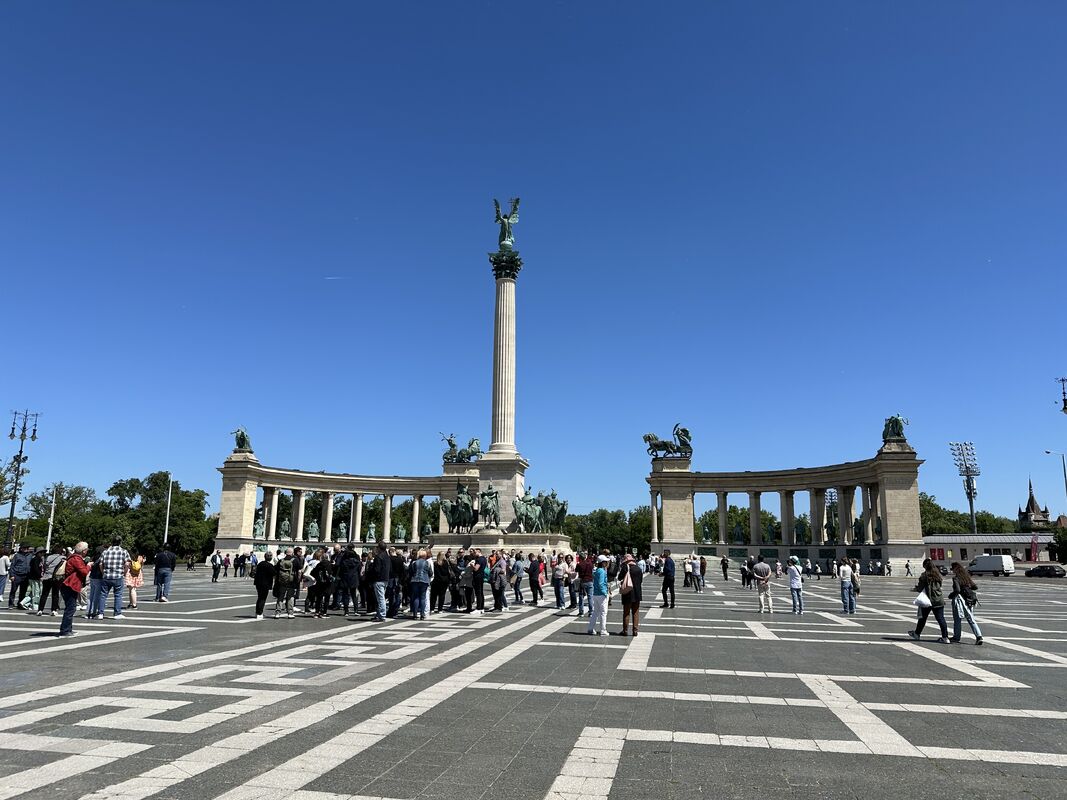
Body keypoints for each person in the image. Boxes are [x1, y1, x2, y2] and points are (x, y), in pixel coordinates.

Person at [909, 559, 949, 643]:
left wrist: (915, 589)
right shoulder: (938, 575)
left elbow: (920, 588)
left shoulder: (924, 575)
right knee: (941, 619)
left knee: (922, 618)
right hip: (939, 599)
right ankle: (945, 637)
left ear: (925, 566)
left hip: (928, 600)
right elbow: (939, 585)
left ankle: (917, 634)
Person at [59, 542, 91, 637]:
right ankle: (65, 630)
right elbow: (84, 571)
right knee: (70, 608)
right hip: (70, 585)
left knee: (71, 608)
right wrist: (89, 565)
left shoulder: (73, 557)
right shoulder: (76, 559)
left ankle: (68, 629)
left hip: (70, 585)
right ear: (84, 551)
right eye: (87, 549)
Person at [948, 562, 983, 645]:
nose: (952, 571)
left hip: (960, 600)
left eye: (952, 569)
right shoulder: (966, 577)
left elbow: (957, 590)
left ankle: (956, 637)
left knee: (957, 619)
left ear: (955, 569)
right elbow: (975, 587)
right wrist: (967, 588)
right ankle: (979, 636)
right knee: (971, 618)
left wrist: (951, 595)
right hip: (969, 600)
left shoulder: (956, 578)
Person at [97, 536, 131, 619]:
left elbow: (100, 564)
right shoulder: (124, 551)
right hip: (118, 576)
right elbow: (127, 564)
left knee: (103, 595)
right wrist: (124, 572)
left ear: (112, 542)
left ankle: (100, 613)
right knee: (118, 595)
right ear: (120, 542)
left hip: (106, 576)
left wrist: (103, 572)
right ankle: (117, 613)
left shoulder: (105, 551)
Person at [616, 553, 643, 637]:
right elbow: (640, 581)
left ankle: (625, 630)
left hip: (628, 593)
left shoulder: (625, 568)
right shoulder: (638, 568)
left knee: (626, 612)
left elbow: (619, 577)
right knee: (636, 612)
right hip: (637, 593)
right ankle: (635, 630)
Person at [37, 545, 66, 616]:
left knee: (44, 594)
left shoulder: (48, 557)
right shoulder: (62, 558)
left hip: (46, 577)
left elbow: (44, 566)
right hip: (56, 577)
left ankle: (40, 610)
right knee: (55, 594)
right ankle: (54, 610)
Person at [587, 555, 609, 636]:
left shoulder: (597, 570)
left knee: (595, 612)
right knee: (603, 612)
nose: (607, 563)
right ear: (602, 563)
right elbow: (601, 583)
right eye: (605, 562)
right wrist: (605, 592)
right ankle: (603, 630)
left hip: (596, 593)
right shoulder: (602, 571)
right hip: (601, 594)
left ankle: (590, 628)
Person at [337, 545, 362, 616]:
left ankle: (346, 611)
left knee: (345, 595)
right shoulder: (357, 562)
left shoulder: (344, 562)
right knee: (354, 595)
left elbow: (340, 570)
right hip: (354, 579)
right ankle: (356, 610)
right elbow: (359, 570)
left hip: (345, 578)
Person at [273, 548, 297, 618]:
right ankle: (290, 613)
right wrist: (298, 580)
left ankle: (277, 613)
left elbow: (276, 570)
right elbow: (299, 570)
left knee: (280, 597)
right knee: (290, 597)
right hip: (291, 581)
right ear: (292, 553)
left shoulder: (281, 560)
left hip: (282, 581)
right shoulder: (295, 560)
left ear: (285, 553)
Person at [409, 548, 433, 620]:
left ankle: (415, 614)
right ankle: (422, 614)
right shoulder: (427, 563)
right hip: (424, 581)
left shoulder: (414, 563)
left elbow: (411, 572)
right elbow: (431, 573)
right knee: (423, 598)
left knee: (416, 597)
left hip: (415, 580)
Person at [372, 542, 392, 622]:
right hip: (386, 578)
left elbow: (376, 569)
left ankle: (382, 615)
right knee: (381, 597)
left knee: (380, 598)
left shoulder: (378, 557)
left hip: (379, 579)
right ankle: (379, 614)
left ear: (379, 548)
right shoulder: (387, 557)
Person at [7, 544, 31, 608]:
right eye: (24, 548)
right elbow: (12, 566)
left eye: (27, 548)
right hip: (17, 575)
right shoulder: (17, 555)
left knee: (23, 591)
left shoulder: (30, 556)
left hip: (26, 576)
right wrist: (11, 575)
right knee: (13, 590)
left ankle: (20, 604)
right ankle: (11, 604)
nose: (26, 549)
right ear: (21, 548)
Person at [252, 552, 276, 620]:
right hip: (265, 584)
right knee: (263, 599)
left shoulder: (260, 564)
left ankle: (257, 612)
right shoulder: (270, 565)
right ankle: (259, 613)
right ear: (271, 558)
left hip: (258, 583)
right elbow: (274, 573)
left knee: (259, 598)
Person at [576, 552, 594, 616]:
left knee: (581, 597)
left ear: (580, 558)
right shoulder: (590, 563)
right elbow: (592, 569)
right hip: (590, 581)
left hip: (582, 581)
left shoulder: (579, 564)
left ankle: (581, 612)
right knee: (590, 597)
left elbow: (576, 570)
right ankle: (591, 612)